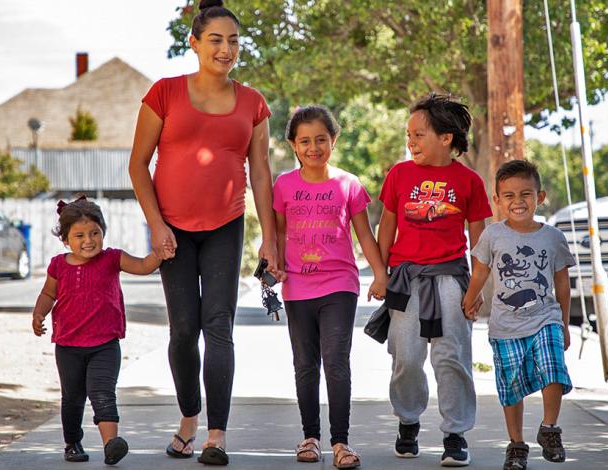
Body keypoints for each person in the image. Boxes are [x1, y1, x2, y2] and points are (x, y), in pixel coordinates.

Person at [127, 0, 280, 465]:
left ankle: (216, 435)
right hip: (172, 230)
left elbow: (262, 173)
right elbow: (138, 165)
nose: (226, 48)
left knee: (219, 326)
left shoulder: (253, 103)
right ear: (194, 44)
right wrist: (156, 225)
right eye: (215, 39)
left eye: (233, 40)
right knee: (182, 332)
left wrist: (269, 239)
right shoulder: (164, 94)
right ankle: (189, 418)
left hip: (225, 227)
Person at [376, 93, 492, 467]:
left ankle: (455, 433)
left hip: (450, 280)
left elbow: (480, 243)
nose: (411, 142)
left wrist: (476, 291)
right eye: (408, 135)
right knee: (406, 357)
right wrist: (381, 274)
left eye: (419, 135)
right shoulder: (399, 174)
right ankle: (408, 421)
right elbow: (386, 227)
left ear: (446, 138)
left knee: (451, 357)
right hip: (406, 281)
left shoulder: (469, 181)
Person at [272, 105, 387, 469]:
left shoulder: (348, 184)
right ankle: (310, 437)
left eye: (321, 139)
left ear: (333, 141)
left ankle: (341, 443)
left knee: (336, 362)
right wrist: (270, 265)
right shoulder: (284, 185)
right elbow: (276, 233)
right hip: (296, 286)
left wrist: (380, 274)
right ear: (293, 145)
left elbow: (364, 235)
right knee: (305, 364)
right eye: (304, 141)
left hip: (339, 285)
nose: (313, 147)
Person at [31, 196, 163, 466]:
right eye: (79, 235)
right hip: (68, 346)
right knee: (73, 397)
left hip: (105, 344)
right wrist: (39, 313)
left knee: (103, 392)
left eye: (95, 233)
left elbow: (142, 266)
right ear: (66, 240)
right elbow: (48, 293)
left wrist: (159, 254)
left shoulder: (112, 258)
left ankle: (111, 444)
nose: (88, 240)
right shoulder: (58, 264)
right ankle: (72, 442)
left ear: (103, 232)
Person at [463, 159, 575, 470]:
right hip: (505, 325)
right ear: (497, 201)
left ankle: (550, 428)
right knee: (510, 386)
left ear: (540, 197)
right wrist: (469, 300)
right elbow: (480, 273)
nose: (518, 202)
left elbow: (562, 283)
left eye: (526, 194)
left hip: (545, 318)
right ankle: (516, 445)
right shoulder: (492, 235)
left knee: (554, 368)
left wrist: (564, 324)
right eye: (509, 196)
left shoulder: (552, 237)